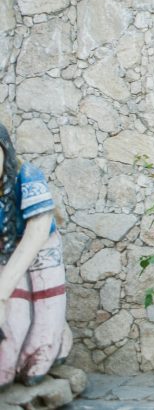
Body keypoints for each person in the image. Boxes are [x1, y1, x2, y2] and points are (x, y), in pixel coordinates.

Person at [0, 123, 72, 387]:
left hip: (41, 244)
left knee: (46, 309)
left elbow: (37, 232)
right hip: (5, 245)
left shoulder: (27, 176)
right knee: (14, 313)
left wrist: (2, 289)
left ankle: (54, 345)